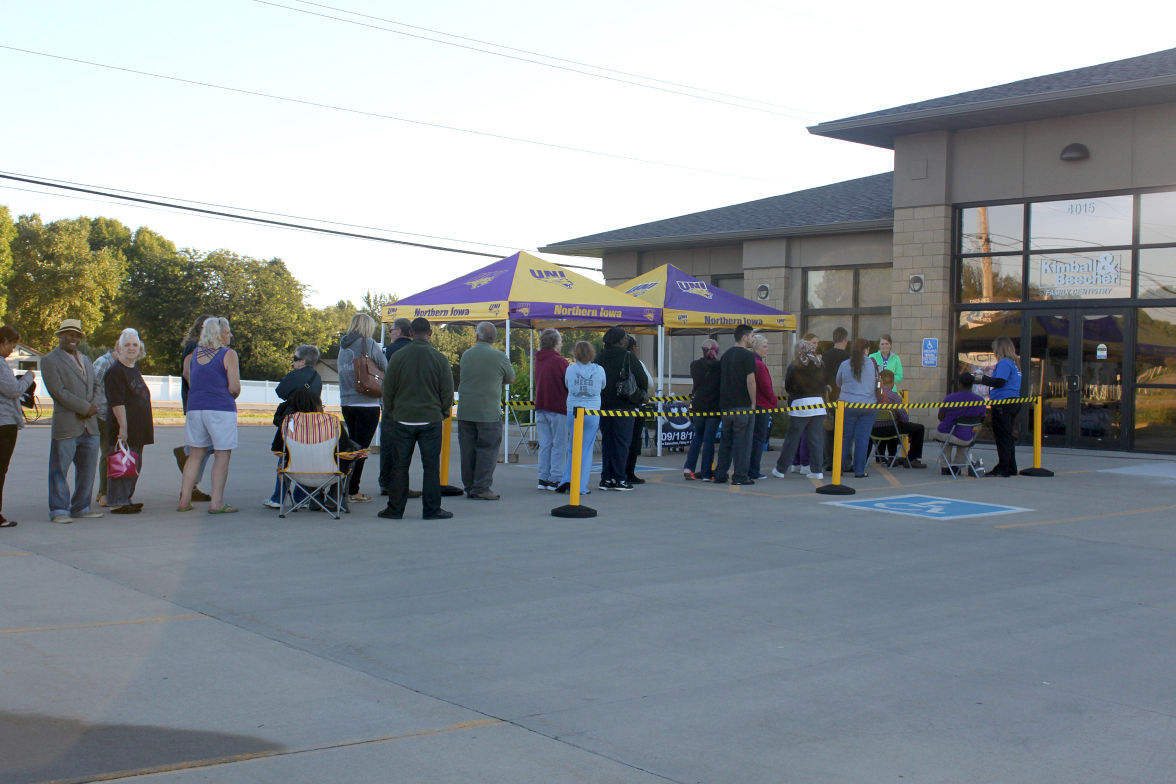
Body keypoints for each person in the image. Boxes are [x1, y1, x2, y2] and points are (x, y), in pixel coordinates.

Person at [378, 317, 455, 520]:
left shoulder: (398, 357)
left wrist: (392, 412)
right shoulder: (439, 359)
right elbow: (447, 392)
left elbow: (388, 390)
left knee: (400, 466)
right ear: (430, 333)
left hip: (402, 419)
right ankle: (431, 509)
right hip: (430, 419)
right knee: (431, 467)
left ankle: (395, 509)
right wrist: (442, 412)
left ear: (410, 333)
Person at [41, 318, 104, 524]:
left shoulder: (85, 359)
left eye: (76, 335)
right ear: (60, 335)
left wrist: (94, 405)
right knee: (59, 469)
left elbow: (96, 385)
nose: (73, 338)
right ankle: (59, 509)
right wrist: (86, 408)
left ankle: (81, 507)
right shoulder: (50, 360)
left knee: (87, 470)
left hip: (90, 426)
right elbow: (58, 392)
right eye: (69, 334)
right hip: (67, 424)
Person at [178, 317, 241, 513]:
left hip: (195, 408)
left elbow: (189, 379)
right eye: (228, 331)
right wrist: (231, 394)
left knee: (196, 454)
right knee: (222, 454)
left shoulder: (192, 355)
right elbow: (234, 387)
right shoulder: (228, 354)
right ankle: (217, 503)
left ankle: (184, 500)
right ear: (220, 333)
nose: (230, 334)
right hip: (220, 409)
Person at [457, 322, 515, 500]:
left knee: (467, 450)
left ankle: (469, 485)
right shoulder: (499, 357)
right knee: (487, 450)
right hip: (488, 411)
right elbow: (510, 378)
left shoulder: (467, 354)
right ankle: (481, 487)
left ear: (476, 336)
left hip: (466, 410)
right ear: (495, 338)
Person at [264, 344, 323, 508]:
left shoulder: (295, 375)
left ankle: (278, 497)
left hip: (292, 421)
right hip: (311, 422)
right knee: (305, 458)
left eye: (295, 359)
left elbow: (280, 392)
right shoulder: (317, 377)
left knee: (285, 457)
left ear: (303, 361)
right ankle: (301, 497)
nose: (293, 362)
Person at [337, 313, 388, 503]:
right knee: (361, 449)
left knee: (351, 446)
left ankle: (343, 484)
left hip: (347, 402)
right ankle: (353, 490)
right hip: (367, 402)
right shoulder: (369, 344)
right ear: (367, 327)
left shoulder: (343, 347)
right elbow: (386, 367)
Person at [104, 329, 154, 514]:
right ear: (119, 348)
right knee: (121, 463)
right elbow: (116, 402)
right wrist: (123, 428)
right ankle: (117, 500)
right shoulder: (115, 371)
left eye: (135, 344)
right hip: (124, 429)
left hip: (138, 428)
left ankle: (126, 497)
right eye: (127, 345)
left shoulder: (132, 368)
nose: (132, 348)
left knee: (133, 464)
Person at [594, 327, 647, 491]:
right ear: (618, 340)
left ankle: (606, 478)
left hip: (603, 406)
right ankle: (620, 478)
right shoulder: (628, 356)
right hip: (624, 405)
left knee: (608, 442)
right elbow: (642, 379)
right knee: (622, 443)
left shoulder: (599, 357)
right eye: (625, 338)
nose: (627, 340)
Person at [771, 336, 826, 480]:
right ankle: (816, 470)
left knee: (792, 439)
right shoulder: (819, 363)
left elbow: (789, 386)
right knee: (816, 440)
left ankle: (780, 469)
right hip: (819, 404)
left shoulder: (795, 365)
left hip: (800, 404)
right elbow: (824, 382)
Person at [557, 340, 606, 495]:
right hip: (591, 410)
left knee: (573, 447)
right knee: (586, 449)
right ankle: (580, 485)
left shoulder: (570, 369)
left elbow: (566, 384)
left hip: (573, 410)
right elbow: (602, 386)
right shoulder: (599, 369)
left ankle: (567, 479)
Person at [711, 324, 758, 485]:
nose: (753, 339)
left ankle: (720, 474)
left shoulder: (726, 355)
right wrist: (753, 403)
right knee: (742, 443)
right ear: (744, 337)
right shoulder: (747, 356)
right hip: (742, 406)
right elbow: (750, 381)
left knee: (726, 443)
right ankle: (740, 476)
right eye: (752, 336)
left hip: (726, 406)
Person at [0, 325, 37, 527]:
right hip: (4, 422)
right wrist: (28, 378)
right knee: (1, 468)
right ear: (4, 341)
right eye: (12, 345)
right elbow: (13, 390)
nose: (12, 350)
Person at [175, 314, 213, 503]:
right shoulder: (194, 346)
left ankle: (192, 484)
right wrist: (199, 393)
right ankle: (190, 484)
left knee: (207, 445)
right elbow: (187, 371)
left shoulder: (206, 347)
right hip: (196, 401)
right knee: (202, 446)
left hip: (200, 401)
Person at [973, 336, 1023, 477]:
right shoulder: (1014, 363)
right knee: (1007, 436)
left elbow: (999, 382)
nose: (993, 351)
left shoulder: (1004, 363)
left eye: (994, 348)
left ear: (999, 348)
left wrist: (981, 378)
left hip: (1003, 402)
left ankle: (1003, 467)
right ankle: (1011, 466)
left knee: (1002, 436)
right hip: (1012, 401)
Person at [379, 317, 414, 496]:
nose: (390, 331)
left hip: (391, 403)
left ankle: (386, 482)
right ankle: (400, 484)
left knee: (388, 444)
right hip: (411, 404)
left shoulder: (388, 351)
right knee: (404, 447)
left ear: (399, 331)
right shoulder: (416, 351)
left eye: (392, 329)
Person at [835, 337, 879, 478]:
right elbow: (878, 383)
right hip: (868, 406)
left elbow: (838, 382)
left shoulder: (844, 364)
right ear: (866, 350)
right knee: (862, 439)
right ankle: (859, 470)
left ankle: (839, 469)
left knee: (844, 438)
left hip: (847, 406)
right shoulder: (874, 364)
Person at [533, 328, 569, 491]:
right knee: (559, 444)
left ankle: (543, 477)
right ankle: (555, 478)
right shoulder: (560, 361)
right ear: (556, 343)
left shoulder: (538, 359)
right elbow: (567, 382)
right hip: (558, 406)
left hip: (541, 405)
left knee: (545, 443)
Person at [931, 372, 988, 471]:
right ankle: (957, 466)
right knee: (964, 435)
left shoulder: (950, 398)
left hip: (948, 433)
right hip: (967, 438)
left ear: (960, 384)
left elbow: (940, 416)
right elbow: (981, 419)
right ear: (972, 384)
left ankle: (945, 466)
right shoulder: (980, 401)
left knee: (945, 434)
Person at [682, 339, 720, 480]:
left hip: (698, 405)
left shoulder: (695, 365)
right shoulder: (719, 366)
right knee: (709, 440)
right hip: (713, 407)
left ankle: (688, 467)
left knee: (697, 437)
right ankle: (706, 473)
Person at [872, 369, 926, 468]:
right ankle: (912, 458)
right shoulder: (895, 397)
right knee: (918, 428)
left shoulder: (871, 396)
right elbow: (905, 419)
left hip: (873, 430)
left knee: (892, 425)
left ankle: (884, 457)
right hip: (891, 430)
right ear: (892, 382)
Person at [623, 335, 653, 485]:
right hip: (636, 405)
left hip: (617, 407)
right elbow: (649, 383)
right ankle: (629, 472)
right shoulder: (637, 362)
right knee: (634, 440)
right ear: (633, 347)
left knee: (621, 441)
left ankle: (618, 472)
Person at [821, 326, 851, 471]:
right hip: (843, 398)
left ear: (833, 339)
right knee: (844, 432)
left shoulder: (824, 356)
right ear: (845, 339)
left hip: (827, 398)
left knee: (828, 431)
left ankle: (828, 461)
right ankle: (843, 462)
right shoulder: (848, 358)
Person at [746, 333, 775, 480]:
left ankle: (748, 468)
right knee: (758, 439)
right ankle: (754, 470)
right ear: (756, 348)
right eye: (764, 346)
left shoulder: (750, 361)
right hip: (761, 405)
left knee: (750, 438)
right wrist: (774, 402)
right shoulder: (759, 365)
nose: (767, 349)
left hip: (752, 405)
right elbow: (766, 387)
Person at [91, 345, 117, 507]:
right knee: (108, 453)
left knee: (112, 453)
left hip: (113, 416)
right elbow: (92, 387)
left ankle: (109, 491)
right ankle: (103, 492)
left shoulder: (120, 364)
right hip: (102, 415)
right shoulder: (104, 362)